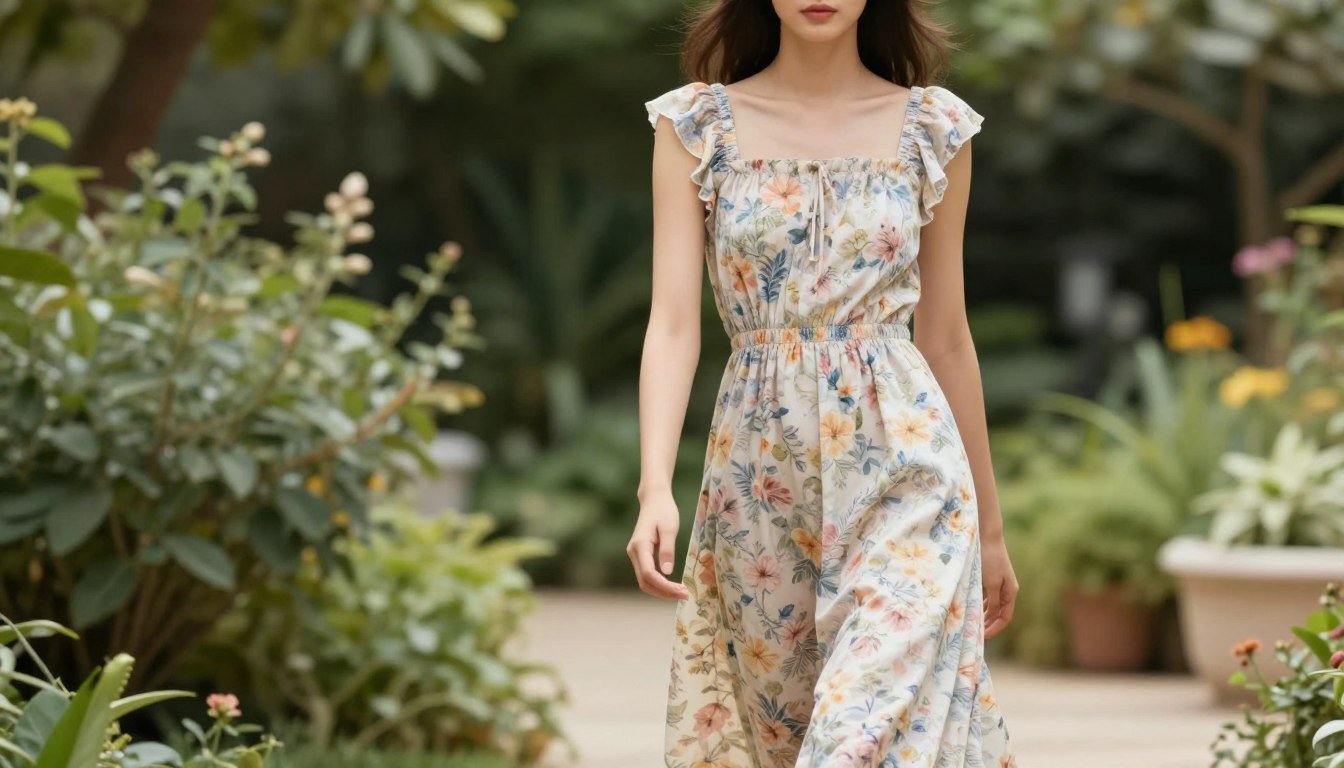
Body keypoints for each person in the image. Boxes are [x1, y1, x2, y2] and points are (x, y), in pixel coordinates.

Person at [629, 0, 1019, 765]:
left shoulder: (933, 129)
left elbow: (946, 337)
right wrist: (653, 487)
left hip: (908, 467)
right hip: (758, 481)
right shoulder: (696, 128)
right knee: (788, 735)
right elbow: (673, 326)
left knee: (860, 731)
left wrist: (993, 530)